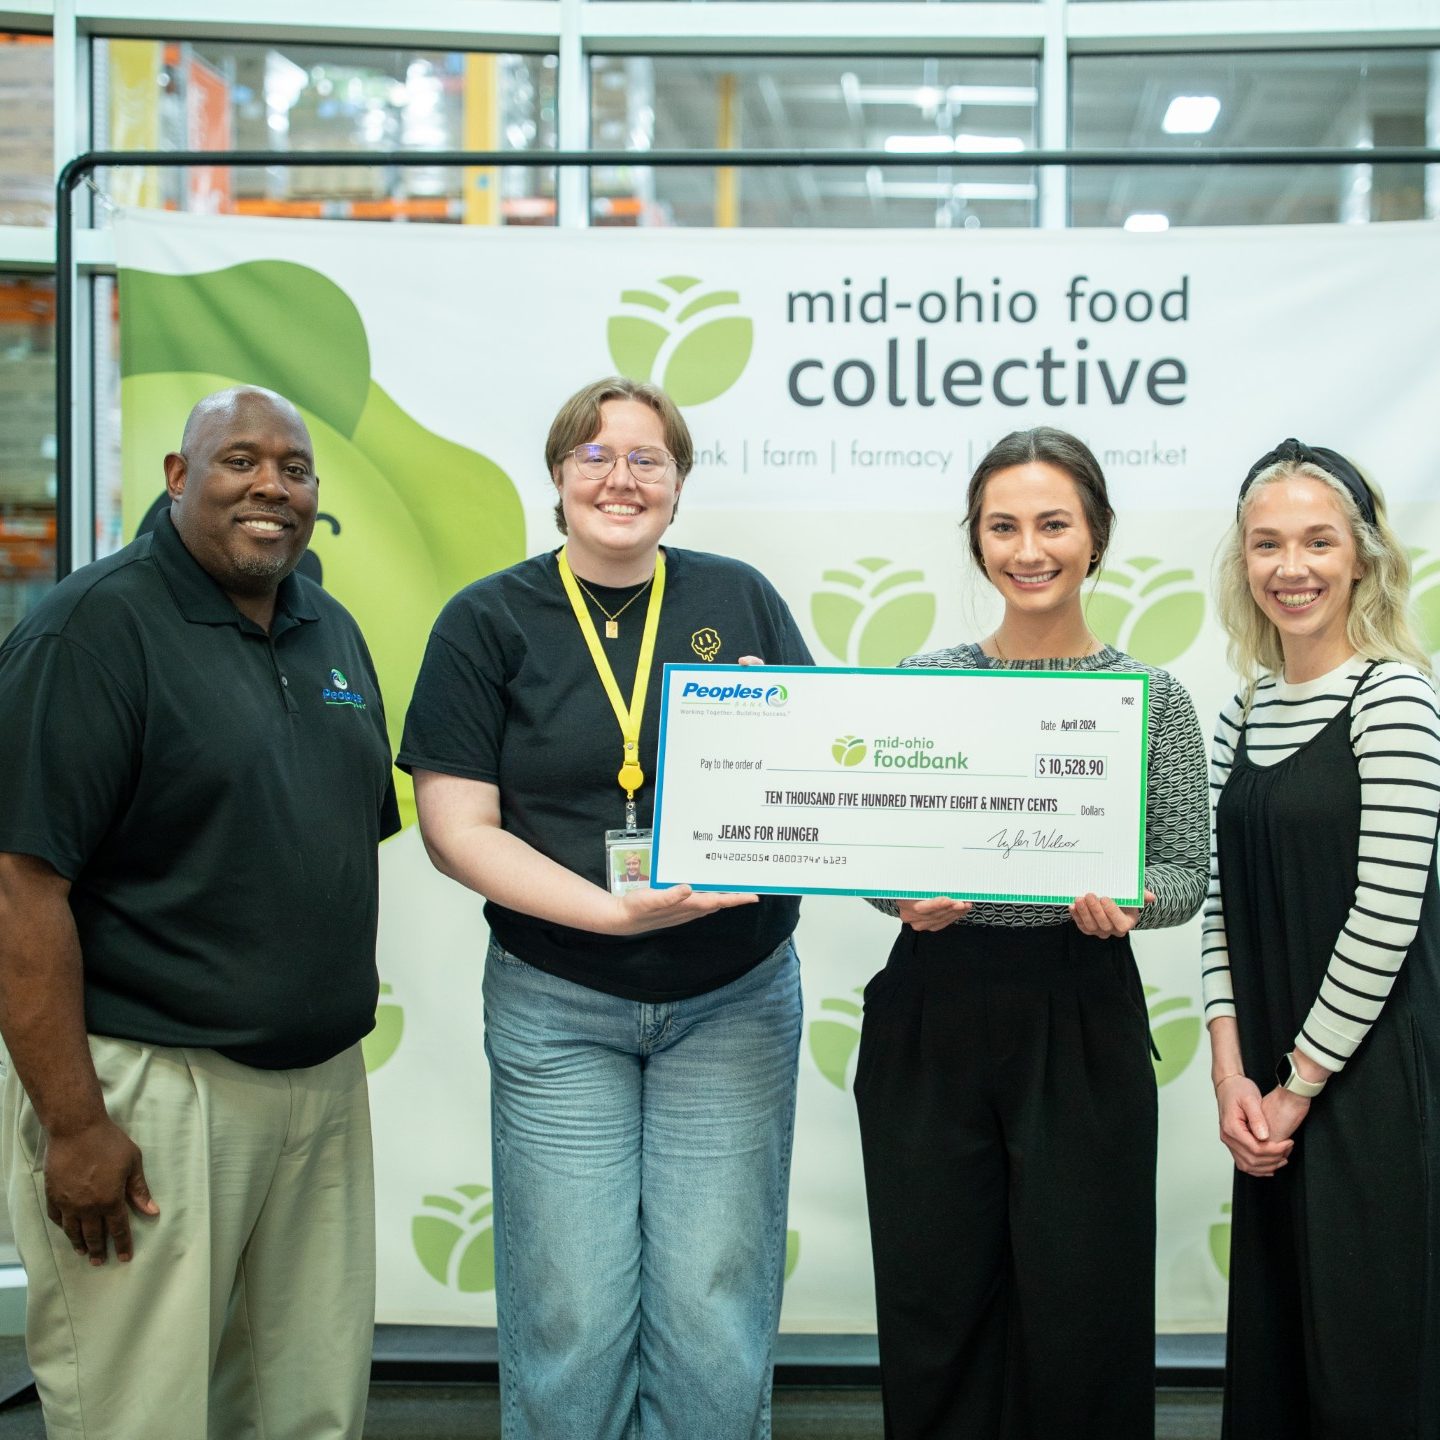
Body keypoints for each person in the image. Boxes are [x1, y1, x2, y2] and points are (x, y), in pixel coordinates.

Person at [400, 376, 813, 1440]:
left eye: (647, 458)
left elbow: (817, 776)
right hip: (559, 1000)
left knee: (714, 1303)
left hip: (733, 996)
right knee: (571, 1307)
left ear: (678, 483)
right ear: (556, 474)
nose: (619, 477)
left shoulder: (742, 600)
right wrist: (611, 914)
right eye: (595, 454)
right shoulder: (485, 620)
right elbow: (457, 830)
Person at [0, 386, 400, 1440]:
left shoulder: (331, 631)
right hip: (150, 1090)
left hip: (317, 1091)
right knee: (142, 1412)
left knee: (308, 1408)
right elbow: (18, 888)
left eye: (296, 469)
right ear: (179, 478)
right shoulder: (91, 631)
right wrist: (76, 1125)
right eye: (240, 462)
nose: (272, 485)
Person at [854, 427, 1209, 1440]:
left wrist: (1130, 899)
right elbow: (877, 853)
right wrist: (900, 895)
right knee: (937, 1297)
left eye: (1054, 523)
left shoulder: (1152, 698)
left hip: (1080, 1008)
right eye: (1003, 526)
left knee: (1082, 1302)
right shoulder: (925, 683)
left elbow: (1184, 870)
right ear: (977, 540)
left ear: (1096, 534)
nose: (1029, 549)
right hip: (934, 1009)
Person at [1202, 439, 1440, 1439]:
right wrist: (1232, 1080)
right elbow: (1215, 906)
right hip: (1267, 1094)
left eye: (1316, 541)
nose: (1290, 567)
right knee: (1287, 1354)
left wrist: (1298, 1087)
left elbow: (1385, 917)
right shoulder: (1239, 710)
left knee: (1371, 1356)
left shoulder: (1396, 698)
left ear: (1363, 558)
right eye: (1267, 545)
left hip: (1368, 1083)